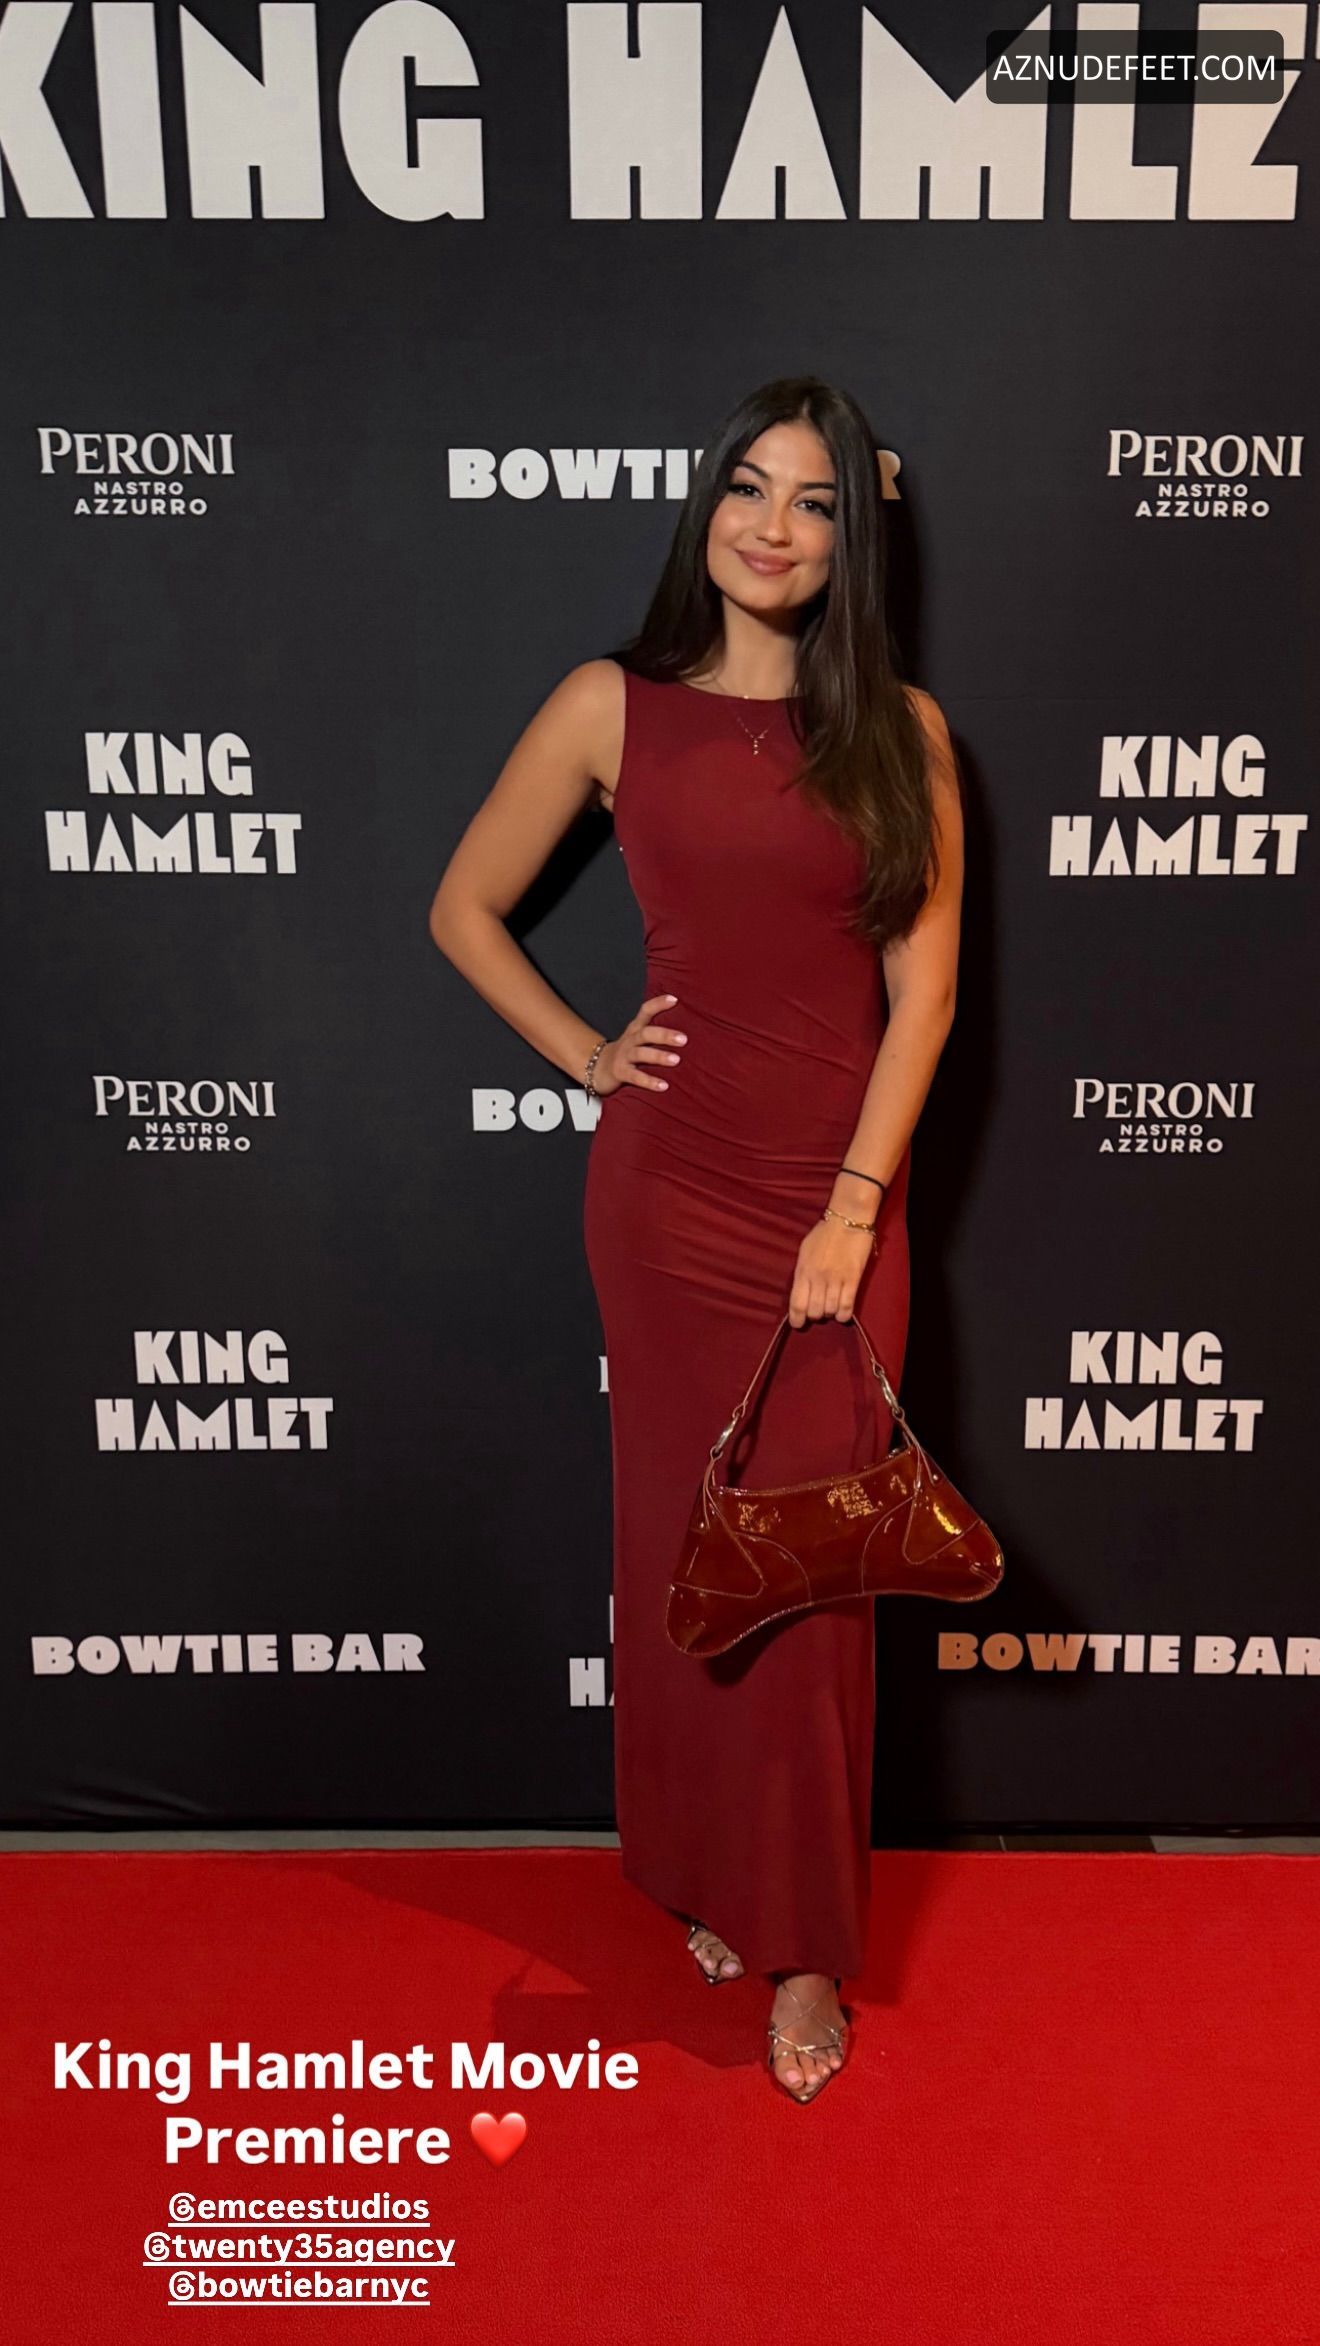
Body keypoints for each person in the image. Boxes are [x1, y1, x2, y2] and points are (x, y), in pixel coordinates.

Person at [429, 376, 963, 2106]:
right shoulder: (614, 706)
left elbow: (924, 995)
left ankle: (804, 1946)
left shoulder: (903, 732)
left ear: (853, 536)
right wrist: (588, 1053)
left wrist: (854, 1205)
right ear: (704, 509)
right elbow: (462, 905)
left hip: (836, 1197)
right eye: (748, 488)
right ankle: (700, 1869)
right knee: (685, 1553)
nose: (773, 527)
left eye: (815, 501)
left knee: (807, 1575)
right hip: (665, 1202)